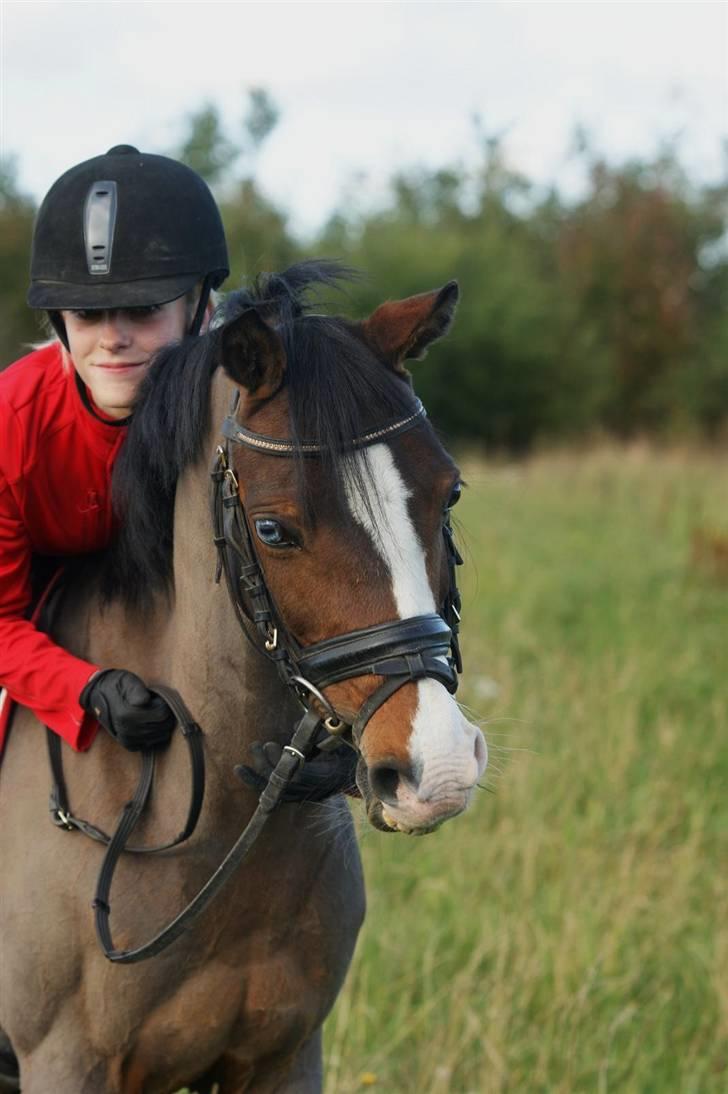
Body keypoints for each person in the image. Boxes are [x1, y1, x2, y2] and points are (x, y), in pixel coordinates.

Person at [0, 144, 229, 755]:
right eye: (88, 313)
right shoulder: (11, 420)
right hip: (39, 608)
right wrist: (85, 685)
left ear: (199, 308)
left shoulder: (240, 404)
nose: (113, 339)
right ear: (58, 321)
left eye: (145, 310)